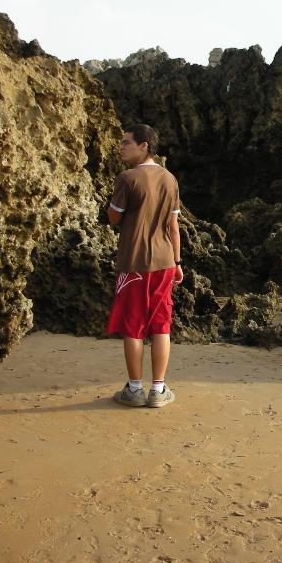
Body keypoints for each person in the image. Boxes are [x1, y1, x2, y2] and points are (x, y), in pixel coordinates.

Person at [106, 124, 184, 408]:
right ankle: (158, 390)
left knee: (133, 325)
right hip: (164, 262)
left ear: (144, 146)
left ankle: (135, 389)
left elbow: (114, 218)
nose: (121, 147)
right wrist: (177, 262)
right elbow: (173, 226)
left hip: (134, 263)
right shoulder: (170, 179)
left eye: (126, 142)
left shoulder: (127, 178)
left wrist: (113, 209)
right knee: (161, 324)